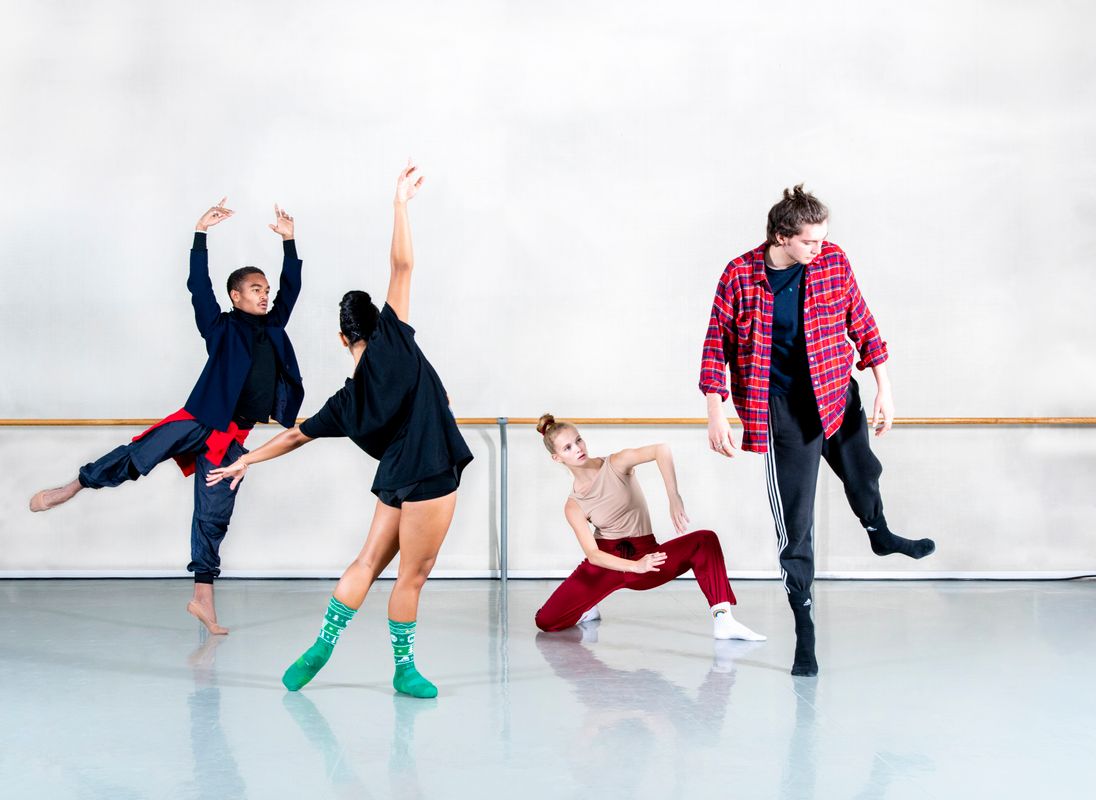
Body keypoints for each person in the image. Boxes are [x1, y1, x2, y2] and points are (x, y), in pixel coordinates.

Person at [208, 162, 472, 699]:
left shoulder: (345, 403)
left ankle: (322, 645)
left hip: (394, 479)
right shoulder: (396, 339)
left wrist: (245, 458)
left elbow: (293, 436)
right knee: (412, 577)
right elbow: (403, 265)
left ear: (341, 338)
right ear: (378, 324)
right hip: (431, 475)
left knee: (367, 562)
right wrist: (400, 203)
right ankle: (404, 670)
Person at [29, 200, 305, 635]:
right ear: (236, 296)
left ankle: (202, 597)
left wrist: (289, 242)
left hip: (231, 438)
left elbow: (292, 287)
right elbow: (198, 287)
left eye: (266, 289)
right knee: (136, 456)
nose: (265, 295)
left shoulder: (274, 326)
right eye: (256, 289)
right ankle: (75, 485)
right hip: (197, 420)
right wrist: (200, 233)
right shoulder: (220, 327)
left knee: (214, 513)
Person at [699, 184, 935, 677]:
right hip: (782, 409)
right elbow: (716, 344)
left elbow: (862, 322)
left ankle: (878, 532)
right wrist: (715, 410)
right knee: (796, 520)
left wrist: (884, 389)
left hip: (834, 392)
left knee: (864, 473)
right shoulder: (740, 275)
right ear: (781, 237)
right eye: (809, 241)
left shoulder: (833, 262)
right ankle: (804, 625)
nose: (818, 248)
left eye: (822, 239)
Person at [533, 414, 764, 641]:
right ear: (557, 458)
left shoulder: (615, 463)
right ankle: (588, 607)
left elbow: (660, 450)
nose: (578, 448)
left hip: (646, 554)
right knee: (545, 621)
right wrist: (635, 566)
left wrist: (673, 496)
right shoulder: (573, 505)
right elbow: (594, 555)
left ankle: (724, 620)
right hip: (607, 561)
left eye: (578, 440)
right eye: (568, 448)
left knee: (705, 540)